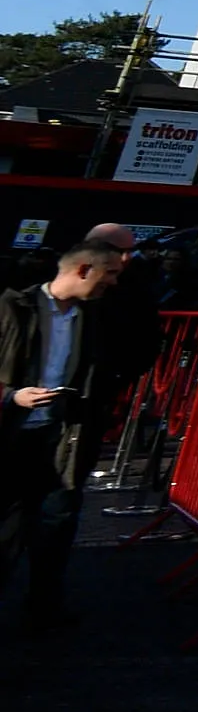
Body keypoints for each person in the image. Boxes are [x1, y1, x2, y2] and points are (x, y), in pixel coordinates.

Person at [0, 243, 124, 633]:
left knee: (57, 523)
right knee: (7, 526)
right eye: (111, 273)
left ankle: (43, 607)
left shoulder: (95, 317)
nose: (114, 282)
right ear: (85, 269)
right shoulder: (12, 308)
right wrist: (10, 396)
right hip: (12, 436)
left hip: (64, 436)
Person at [68, 227, 160, 497]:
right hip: (39, 396)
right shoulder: (59, 278)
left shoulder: (134, 287)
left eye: (130, 252)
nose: (125, 258)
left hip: (95, 391)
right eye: (120, 251)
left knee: (69, 483)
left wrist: (117, 377)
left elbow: (148, 339)